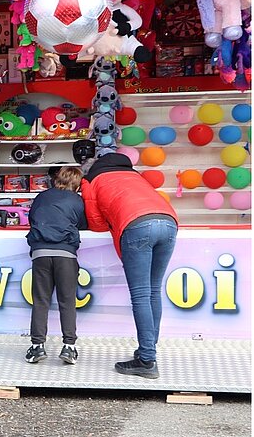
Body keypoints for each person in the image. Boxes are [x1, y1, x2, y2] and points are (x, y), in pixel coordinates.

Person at [82, 152, 178, 379]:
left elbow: (95, 223)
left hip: (136, 224)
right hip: (168, 221)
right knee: (154, 291)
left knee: (141, 295)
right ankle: (148, 350)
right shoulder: (135, 176)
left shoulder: (92, 180)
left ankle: (146, 360)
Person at [24, 166, 87, 365]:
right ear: (76, 184)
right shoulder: (77, 200)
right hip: (66, 254)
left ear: (56, 179)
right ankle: (69, 347)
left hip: (40, 253)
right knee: (67, 301)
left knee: (41, 301)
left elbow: (31, 219)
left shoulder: (41, 197)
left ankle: (37, 347)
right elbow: (83, 224)